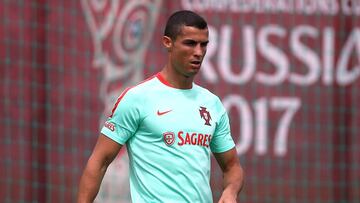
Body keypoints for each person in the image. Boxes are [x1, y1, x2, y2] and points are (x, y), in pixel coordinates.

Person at [77, 10, 244, 203]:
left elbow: (232, 167)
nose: (198, 52)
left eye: (203, 44)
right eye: (190, 43)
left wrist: (231, 191)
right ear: (168, 43)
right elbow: (99, 162)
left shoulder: (212, 104)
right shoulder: (137, 98)